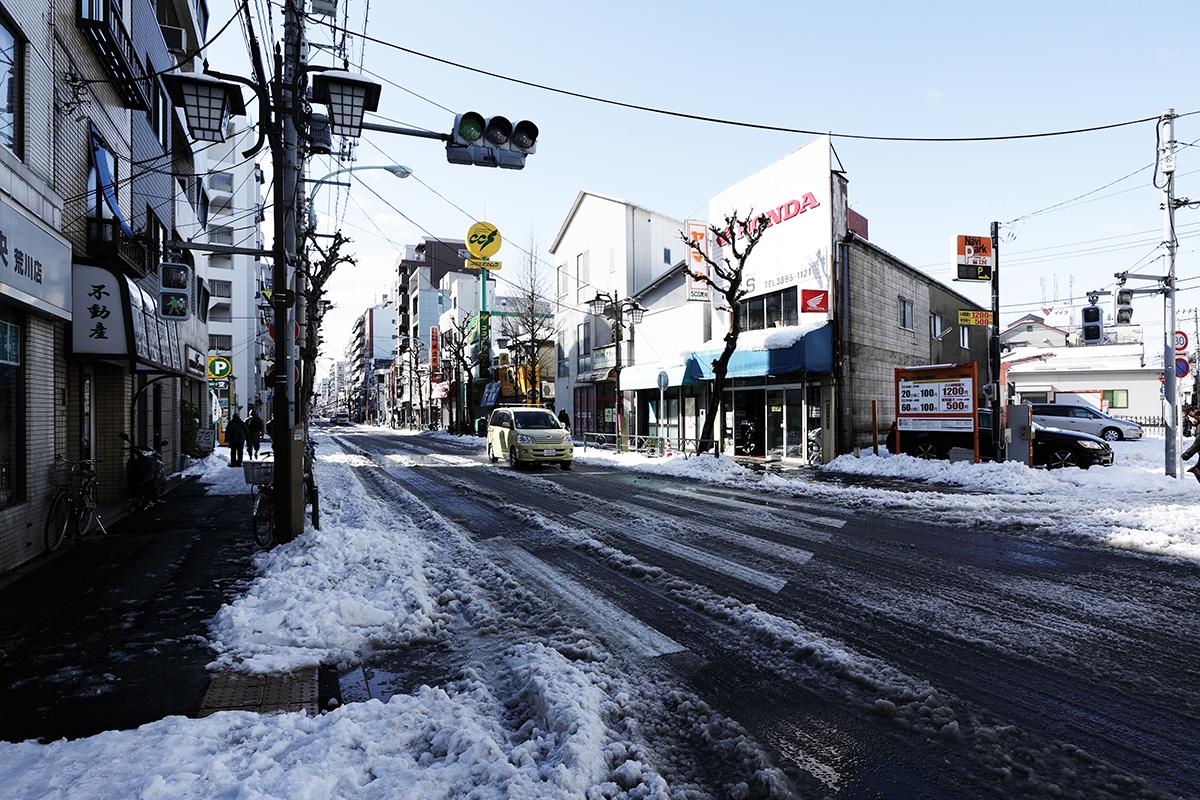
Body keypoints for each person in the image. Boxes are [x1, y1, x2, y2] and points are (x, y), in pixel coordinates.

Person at [1184, 407, 1200, 481]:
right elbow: (1186, 434)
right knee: (1197, 469)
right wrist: (1185, 423)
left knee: (1197, 469)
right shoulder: (1196, 426)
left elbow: (1198, 442)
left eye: (1189, 417)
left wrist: (1188, 454)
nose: (1189, 419)